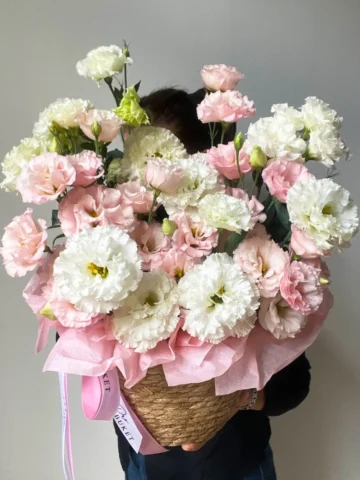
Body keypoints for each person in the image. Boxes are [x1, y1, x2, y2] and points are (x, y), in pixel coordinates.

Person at [114, 88, 312, 480]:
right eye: (138, 164)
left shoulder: (253, 253)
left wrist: (242, 396)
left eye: (170, 167)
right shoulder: (112, 252)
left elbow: (295, 382)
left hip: (235, 467)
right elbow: (95, 377)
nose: (153, 183)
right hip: (144, 467)